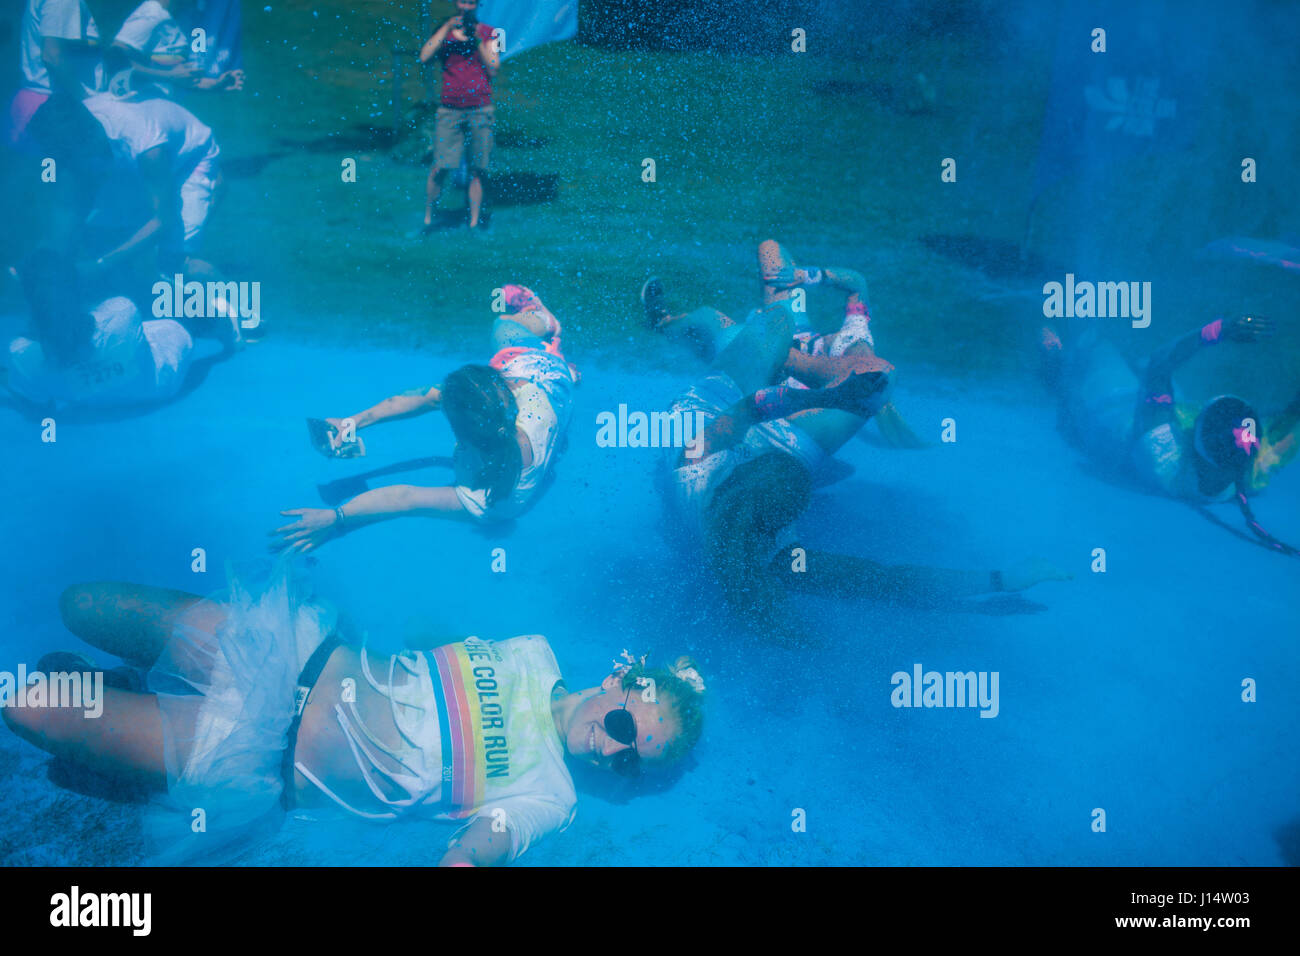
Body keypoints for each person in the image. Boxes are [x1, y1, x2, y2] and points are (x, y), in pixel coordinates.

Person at [1, 565, 706, 866]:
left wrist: (462, 859)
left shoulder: (550, 797)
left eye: (633, 762)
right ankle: (121, 700)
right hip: (286, 651)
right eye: (625, 729)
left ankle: (119, 737)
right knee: (84, 604)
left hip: (252, 757)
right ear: (618, 680)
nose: (615, 754)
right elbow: (432, 642)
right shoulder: (534, 649)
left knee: (29, 709)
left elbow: (490, 840)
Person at [661, 244, 1067, 641]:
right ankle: (690, 328)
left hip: (716, 407)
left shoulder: (694, 463)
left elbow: (751, 407)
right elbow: (885, 582)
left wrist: (828, 395)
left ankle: (666, 322)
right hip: (780, 429)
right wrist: (996, 585)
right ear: (791, 514)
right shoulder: (779, 559)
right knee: (860, 371)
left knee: (771, 316)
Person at [277, 285, 576, 550]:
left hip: (536, 373)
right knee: (504, 341)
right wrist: (352, 423)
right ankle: (559, 358)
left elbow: (404, 498)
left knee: (504, 324)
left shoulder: (488, 503)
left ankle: (546, 321)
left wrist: (334, 517)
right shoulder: (513, 410)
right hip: (544, 380)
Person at [1042, 316, 1300, 554]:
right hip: (1167, 416)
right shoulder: (1254, 468)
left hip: (1115, 407)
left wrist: (1217, 330)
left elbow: (1159, 365)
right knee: (1141, 362)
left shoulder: (1162, 453)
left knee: (1096, 346)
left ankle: (1053, 345)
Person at [643, 240, 925, 447]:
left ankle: (663, 322)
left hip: (766, 362)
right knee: (770, 249)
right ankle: (669, 327)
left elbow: (787, 381)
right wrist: (807, 275)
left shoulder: (843, 373)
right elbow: (857, 284)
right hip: (793, 331)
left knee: (708, 319)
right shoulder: (855, 334)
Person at [27, 92, 225, 283]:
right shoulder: (67, 136)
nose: (60, 163)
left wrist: (101, 265)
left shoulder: (146, 144)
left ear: (88, 139)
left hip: (190, 159)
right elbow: (65, 205)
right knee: (100, 235)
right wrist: (52, 257)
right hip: (129, 157)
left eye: (65, 157)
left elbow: (164, 219)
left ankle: (238, 307)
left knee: (174, 262)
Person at [3, 247, 234, 410]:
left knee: (138, 332)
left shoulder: (22, 354)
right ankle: (225, 325)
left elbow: (41, 403)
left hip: (94, 400)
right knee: (173, 318)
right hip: (161, 380)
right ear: (75, 285)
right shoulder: (121, 311)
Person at [413, 0, 500, 235]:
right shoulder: (445, 31)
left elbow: (493, 67)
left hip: (480, 108)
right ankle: (429, 216)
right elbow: (424, 56)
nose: (466, 7)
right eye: (463, 1)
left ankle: (473, 222)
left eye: (471, 2)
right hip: (449, 109)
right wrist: (447, 27)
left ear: (477, 5)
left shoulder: (489, 32)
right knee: (440, 166)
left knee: (479, 168)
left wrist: (477, 40)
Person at [6, 0, 104, 147]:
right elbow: (52, 56)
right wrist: (89, 102)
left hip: (42, 103)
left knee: (38, 168)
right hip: (56, 110)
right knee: (51, 169)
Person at [107, 0, 245, 100]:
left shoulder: (188, 17)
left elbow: (179, 78)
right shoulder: (152, 14)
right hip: (138, 108)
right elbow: (115, 61)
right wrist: (170, 76)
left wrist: (213, 84)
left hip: (164, 109)